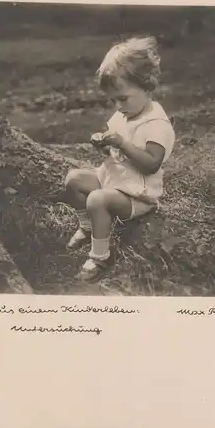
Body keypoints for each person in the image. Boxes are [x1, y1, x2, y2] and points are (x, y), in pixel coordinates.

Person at [64, 36, 175, 281]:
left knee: (96, 199)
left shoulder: (156, 125)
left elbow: (151, 164)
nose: (118, 105)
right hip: (115, 180)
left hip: (137, 195)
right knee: (74, 180)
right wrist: (105, 145)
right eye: (113, 100)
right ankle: (88, 226)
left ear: (146, 86)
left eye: (122, 98)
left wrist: (122, 144)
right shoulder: (125, 114)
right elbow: (116, 149)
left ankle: (101, 257)